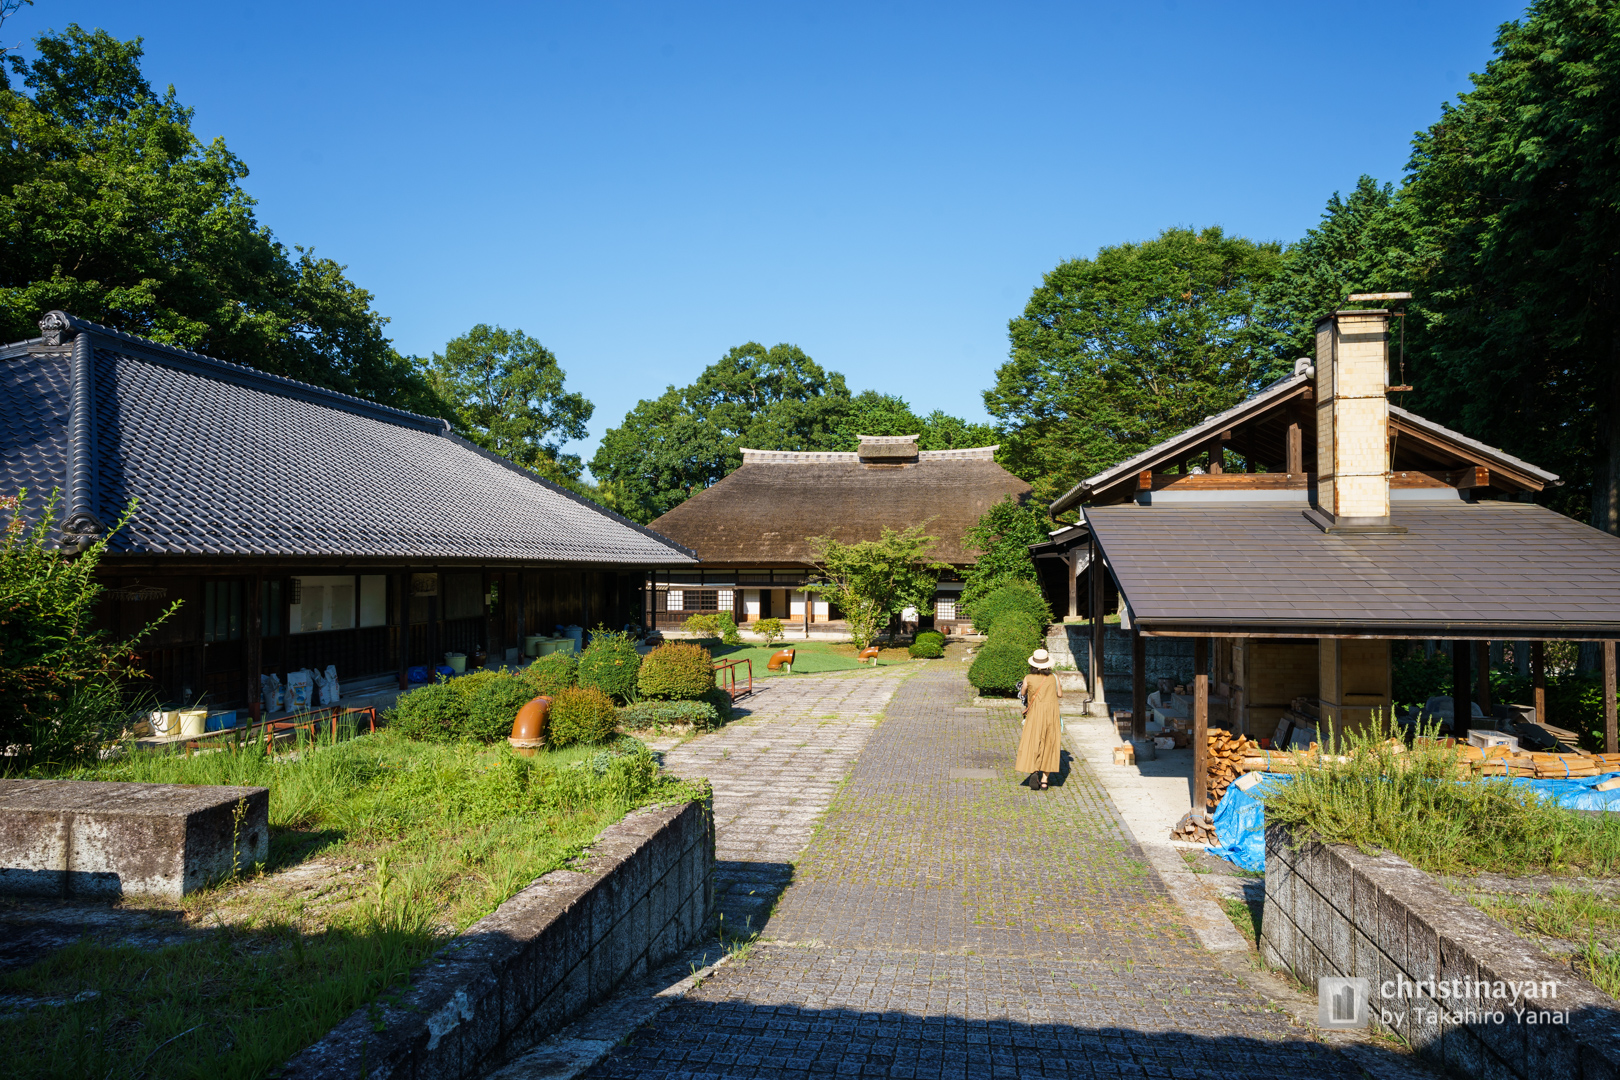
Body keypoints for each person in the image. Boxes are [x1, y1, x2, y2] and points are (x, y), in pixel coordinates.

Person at [1015, 648, 1063, 789]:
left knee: (1033, 740)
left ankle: (1034, 770)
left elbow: (1023, 692)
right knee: (1050, 743)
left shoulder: (1028, 678)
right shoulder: (1054, 677)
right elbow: (1059, 694)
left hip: (1035, 713)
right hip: (1051, 713)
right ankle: (1044, 780)